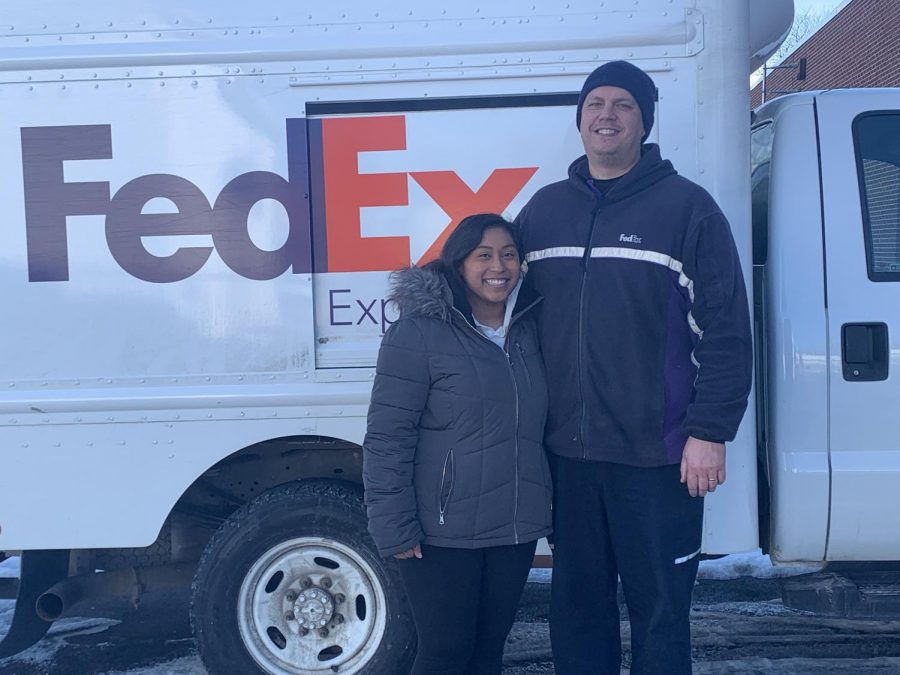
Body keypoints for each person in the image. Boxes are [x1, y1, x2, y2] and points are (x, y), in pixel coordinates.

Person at [515, 60, 753, 674]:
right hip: (568, 458)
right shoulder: (544, 212)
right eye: (595, 104)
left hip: (658, 460)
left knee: (661, 615)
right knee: (577, 612)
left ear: (645, 121)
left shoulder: (687, 210)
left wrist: (709, 432)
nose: (607, 115)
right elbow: (497, 301)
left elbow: (726, 332)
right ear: (580, 120)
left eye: (623, 104)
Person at [363, 213, 553, 675]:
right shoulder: (418, 333)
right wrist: (395, 528)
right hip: (441, 532)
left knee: (488, 654)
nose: (499, 266)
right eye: (483, 255)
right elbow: (388, 437)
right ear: (459, 264)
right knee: (445, 655)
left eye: (509, 255)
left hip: (512, 529)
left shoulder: (529, 331)